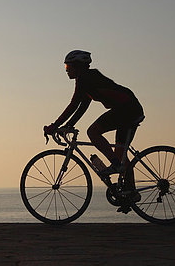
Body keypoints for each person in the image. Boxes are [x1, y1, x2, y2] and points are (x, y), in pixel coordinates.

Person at [44, 50, 144, 201]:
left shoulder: (85, 79)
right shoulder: (90, 78)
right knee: (120, 154)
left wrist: (55, 125)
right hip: (130, 108)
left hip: (126, 109)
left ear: (78, 67)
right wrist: (68, 125)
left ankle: (116, 165)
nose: (66, 71)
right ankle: (130, 193)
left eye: (68, 67)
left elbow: (73, 105)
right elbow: (82, 107)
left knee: (93, 132)